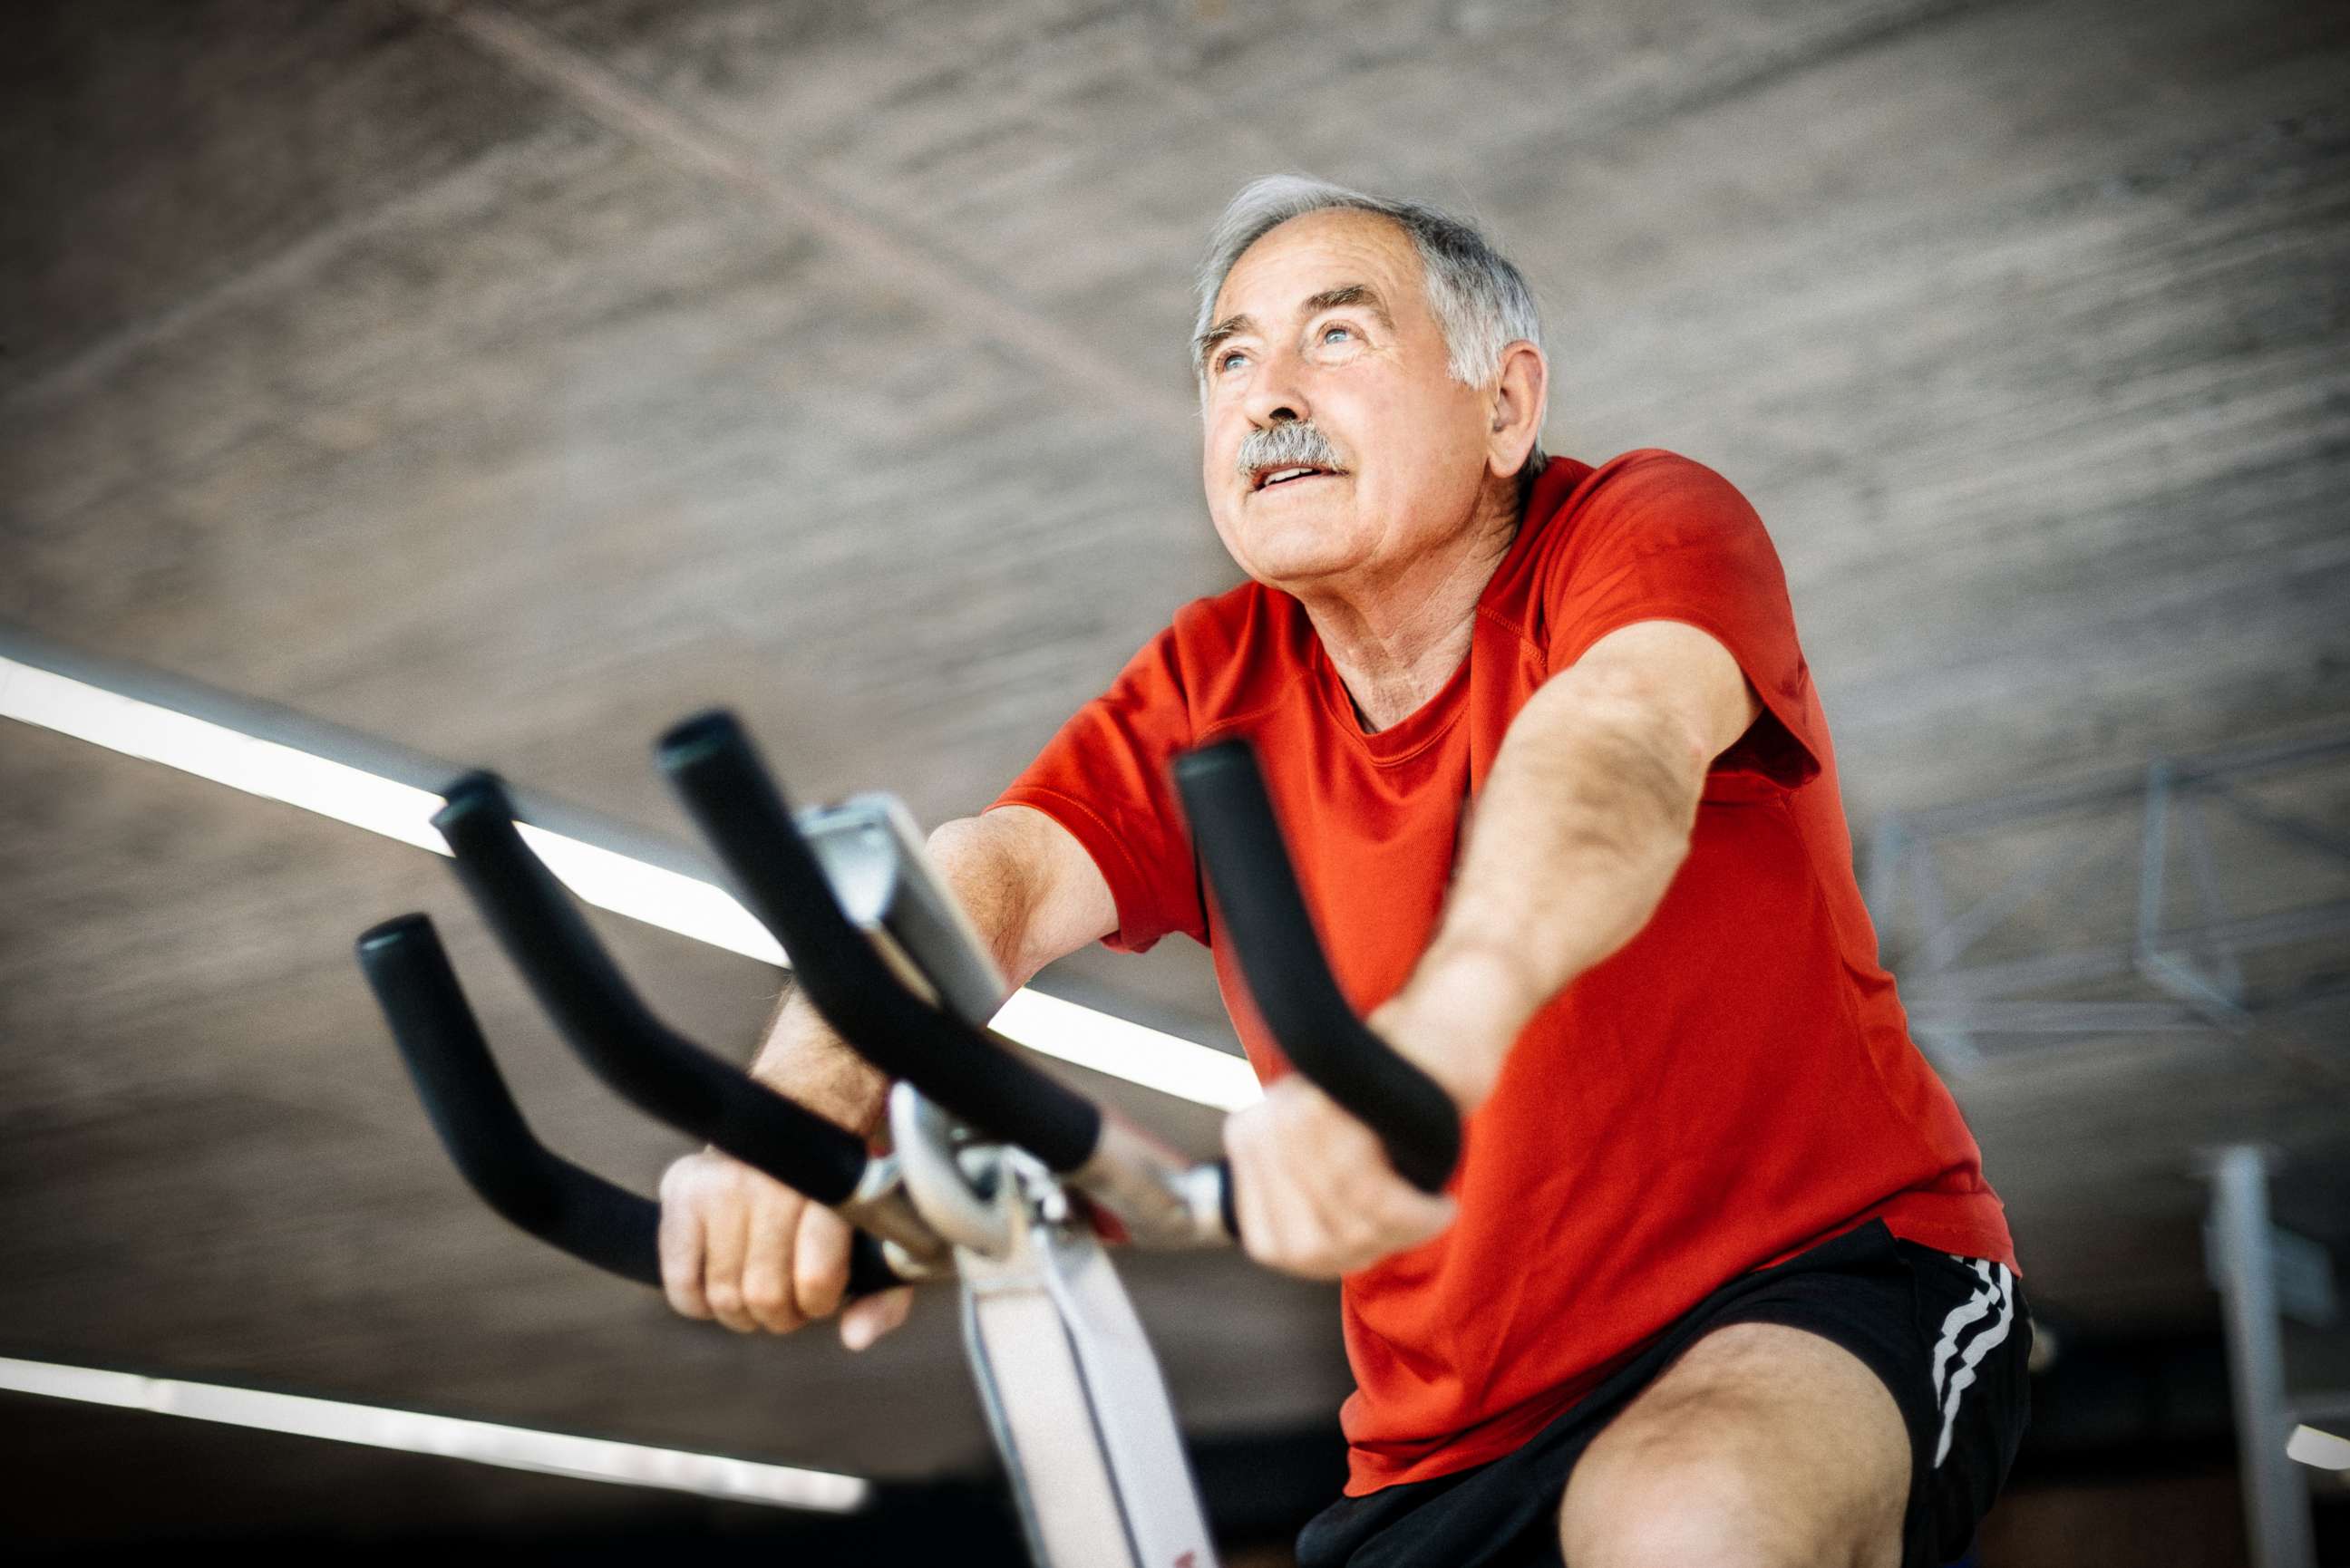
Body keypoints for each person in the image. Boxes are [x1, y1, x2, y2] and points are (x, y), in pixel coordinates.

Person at [656, 175, 2030, 1568]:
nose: (1267, 395)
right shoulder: (1214, 678)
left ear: (1506, 408)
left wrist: (1430, 1047)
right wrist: (796, 1116)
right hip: (1445, 1439)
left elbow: (1614, 744)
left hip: (1823, 1283)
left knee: (1689, 1520)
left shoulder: (1642, 529)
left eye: (1337, 335)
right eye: (1230, 360)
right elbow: (991, 875)